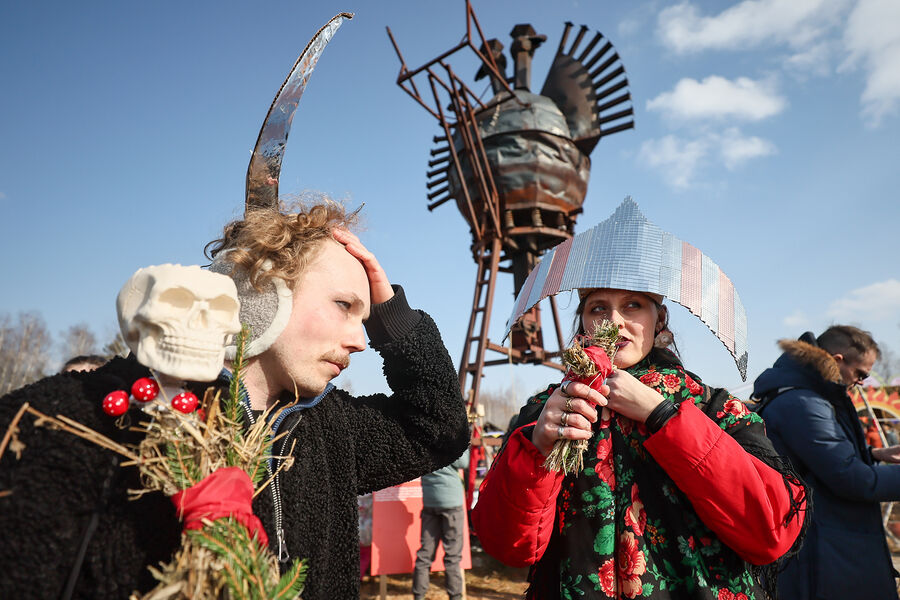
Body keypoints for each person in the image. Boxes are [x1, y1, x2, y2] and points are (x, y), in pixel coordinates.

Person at [0, 202, 469, 600]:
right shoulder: (96, 414)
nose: (361, 341)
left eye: (364, 319)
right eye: (344, 306)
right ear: (261, 292)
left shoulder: (334, 428)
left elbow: (440, 427)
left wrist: (392, 316)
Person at [472, 288, 807, 599]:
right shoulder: (545, 413)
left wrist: (661, 415)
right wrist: (538, 447)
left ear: (659, 319)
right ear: (584, 324)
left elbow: (771, 531)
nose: (614, 321)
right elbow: (509, 547)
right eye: (598, 308)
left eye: (632, 305)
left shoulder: (712, 407)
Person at [752, 326, 900, 600]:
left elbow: (815, 461)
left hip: (823, 548)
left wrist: (873, 454)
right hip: (820, 558)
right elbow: (851, 479)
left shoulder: (809, 396)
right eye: (860, 374)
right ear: (837, 360)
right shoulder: (805, 402)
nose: (861, 383)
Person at [412, 448, 470, 600]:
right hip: (451, 503)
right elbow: (463, 462)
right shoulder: (449, 438)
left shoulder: (422, 440)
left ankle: (419, 596)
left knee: (425, 554)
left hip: (430, 502)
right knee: (453, 556)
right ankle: (455, 597)